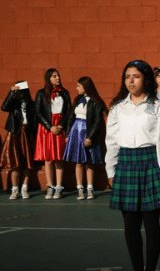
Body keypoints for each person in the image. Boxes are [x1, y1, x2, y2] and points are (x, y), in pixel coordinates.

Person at [105, 60, 160, 271]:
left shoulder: (157, 107)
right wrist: (111, 169)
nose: (131, 81)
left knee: (151, 223)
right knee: (130, 224)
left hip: (150, 163)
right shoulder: (117, 108)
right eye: (127, 76)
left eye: (135, 76)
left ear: (146, 79)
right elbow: (111, 141)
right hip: (126, 164)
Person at [63, 76, 107, 200]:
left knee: (89, 162)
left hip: (87, 132)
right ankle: (80, 189)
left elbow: (98, 121)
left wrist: (90, 137)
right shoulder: (77, 99)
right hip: (76, 131)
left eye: (78, 86)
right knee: (79, 161)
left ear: (85, 87)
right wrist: (68, 134)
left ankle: (90, 188)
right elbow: (71, 117)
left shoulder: (95, 101)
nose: (76, 88)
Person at [34, 68, 72, 199]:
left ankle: (59, 187)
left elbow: (69, 112)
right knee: (49, 159)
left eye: (58, 75)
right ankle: (50, 186)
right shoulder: (41, 94)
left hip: (60, 127)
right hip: (47, 129)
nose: (57, 78)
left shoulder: (65, 93)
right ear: (48, 78)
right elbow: (38, 112)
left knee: (59, 159)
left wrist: (61, 125)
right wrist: (50, 126)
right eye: (54, 76)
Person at [1, 83, 35, 200]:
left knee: (27, 163)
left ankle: (24, 188)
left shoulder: (31, 104)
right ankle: (14, 189)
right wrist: (11, 92)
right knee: (15, 163)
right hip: (15, 132)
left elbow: (35, 120)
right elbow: (4, 107)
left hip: (27, 133)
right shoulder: (14, 103)